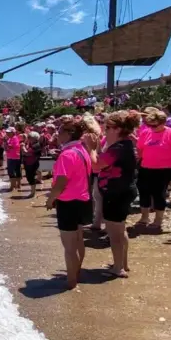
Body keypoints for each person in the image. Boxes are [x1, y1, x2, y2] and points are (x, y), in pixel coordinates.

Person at [46, 116, 96, 289]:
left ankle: (71, 282)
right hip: (83, 199)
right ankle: (76, 272)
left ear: (69, 134)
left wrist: (50, 200)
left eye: (60, 131)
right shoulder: (83, 150)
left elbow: (60, 183)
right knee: (78, 240)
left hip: (68, 202)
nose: (57, 135)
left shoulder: (67, 155)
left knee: (69, 246)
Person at [95, 111, 140, 278]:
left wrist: (92, 148)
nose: (105, 131)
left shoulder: (119, 148)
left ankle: (118, 268)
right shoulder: (125, 144)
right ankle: (123, 263)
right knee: (120, 229)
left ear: (117, 129)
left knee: (115, 233)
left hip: (116, 192)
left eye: (107, 128)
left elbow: (96, 165)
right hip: (123, 190)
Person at [135, 107, 171, 232]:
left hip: (165, 169)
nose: (151, 128)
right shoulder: (146, 132)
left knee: (158, 192)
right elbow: (140, 148)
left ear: (163, 122)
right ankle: (144, 217)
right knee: (143, 191)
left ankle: (158, 220)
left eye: (155, 125)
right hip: (145, 166)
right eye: (149, 125)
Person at [22, 131, 42, 198]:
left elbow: (26, 153)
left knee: (30, 177)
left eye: (30, 137)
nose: (28, 139)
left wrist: (23, 146)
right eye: (28, 137)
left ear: (35, 138)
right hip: (29, 163)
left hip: (32, 163)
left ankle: (32, 193)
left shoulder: (36, 145)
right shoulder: (32, 144)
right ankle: (32, 192)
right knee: (29, 177)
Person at [5, 127, 22, 192]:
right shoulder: (10, 138)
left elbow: (12, 146)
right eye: (7, 132)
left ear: (12, 132)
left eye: (8, 132)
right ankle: (16, 185)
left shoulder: (14, 138)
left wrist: (6, 144)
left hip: (14, 157)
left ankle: (13, 186)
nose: (7, 133)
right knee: (16, 171)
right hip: (11, 156)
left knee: (12, 172)